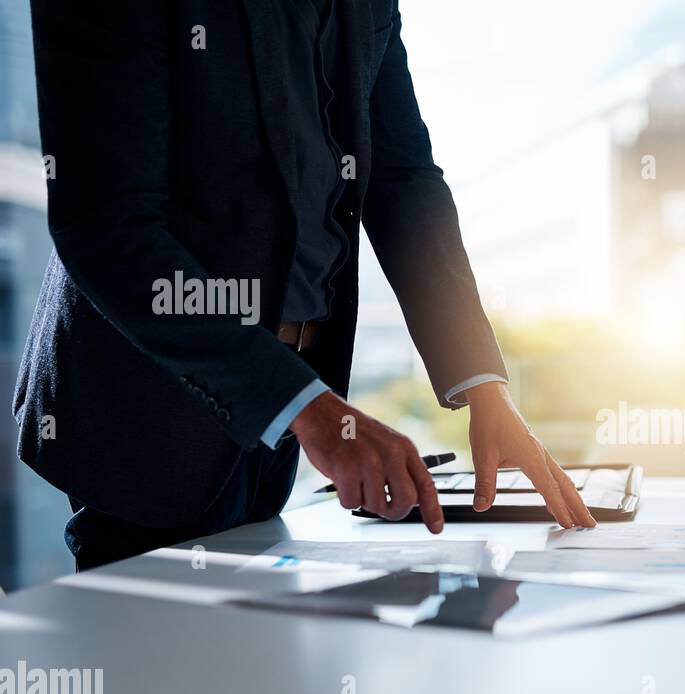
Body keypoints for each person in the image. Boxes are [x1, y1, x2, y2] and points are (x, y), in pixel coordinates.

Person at [13, 0, 594, 571]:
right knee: (158, 656)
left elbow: (403, 176)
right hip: (149, 409)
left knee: (263, 651)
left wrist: (482, 385)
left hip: (285, 414)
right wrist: (309, 410)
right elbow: (108, 227)